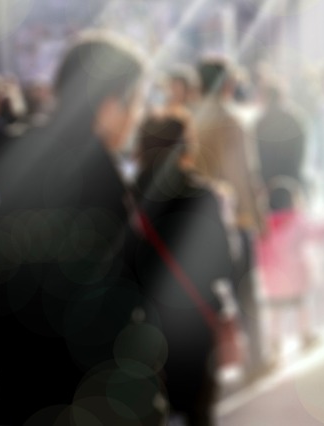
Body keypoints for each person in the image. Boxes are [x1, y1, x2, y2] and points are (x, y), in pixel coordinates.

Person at [0, 32, 151, 425]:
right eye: (135, 102)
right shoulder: (99, 179)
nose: (138, 116)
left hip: (17, 378)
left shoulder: (22, 150)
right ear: (107, 106)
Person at [128, 116, 234, 426]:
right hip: (195, 321)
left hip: (143, 323)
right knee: (198, 409)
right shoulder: (203, 196)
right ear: (184, 148)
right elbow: (225, 264)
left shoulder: (126, 197)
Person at [191, 58, 269, 376]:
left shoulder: (189, 118)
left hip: (197, 223)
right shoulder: (232, 120)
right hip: (233, 220)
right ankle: (256, 361)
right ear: (226, 85)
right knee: (246, 294)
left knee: (205, 297)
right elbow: (241, 174)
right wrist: (257, 218)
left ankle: (209, 366)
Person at [253, 78, 317, 354]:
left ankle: (276, 338)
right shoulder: (297, 120)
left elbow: (254, 161)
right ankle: (305, 332)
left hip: (268, 199)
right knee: (296, 258)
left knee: (274, 270)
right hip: (292, 194)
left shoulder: (257, 123)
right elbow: (304, 158)